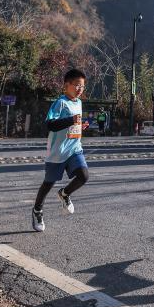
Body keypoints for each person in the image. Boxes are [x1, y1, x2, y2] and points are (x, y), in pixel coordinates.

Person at [32, 69, 89, 232]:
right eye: (77, 85)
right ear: (67, 85)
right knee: (48, 184)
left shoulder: (79, 103)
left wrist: (79, 125)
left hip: (74, 149)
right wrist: (71, 120)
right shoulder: (60, 103)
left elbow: (72, 124)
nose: (80, 89)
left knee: (84, 176)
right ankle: (37, 210)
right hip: (57, 152)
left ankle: (64, 194)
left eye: (82, 86)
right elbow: (50, 124)